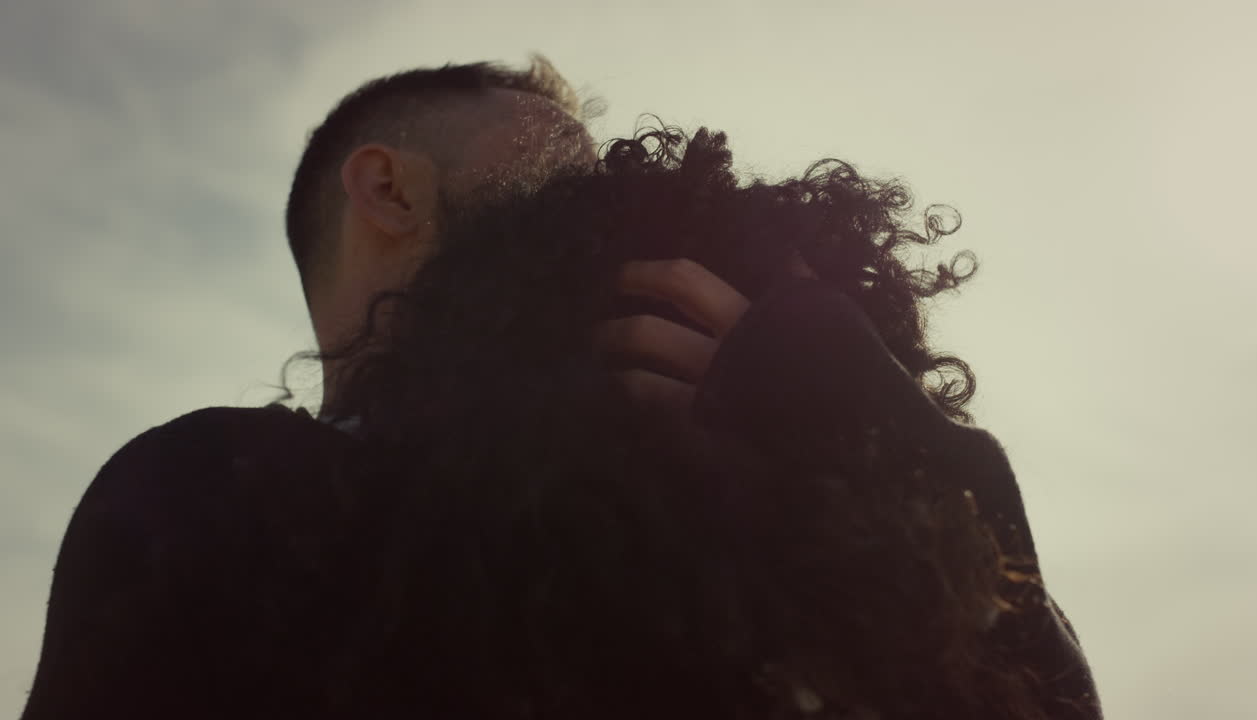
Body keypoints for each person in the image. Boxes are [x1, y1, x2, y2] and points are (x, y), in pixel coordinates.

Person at [21, 56, 1103, 720]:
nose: (601, 189)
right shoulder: (219, 494)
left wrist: (908, 450)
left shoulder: (720, 514)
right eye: (561, 161)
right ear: (388, 187)